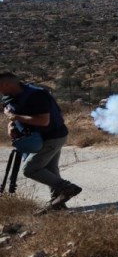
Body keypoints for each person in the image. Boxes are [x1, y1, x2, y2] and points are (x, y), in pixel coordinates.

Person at [0, 72, 81, 211]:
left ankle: (67, 187)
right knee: (50, 169)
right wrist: (12, 124)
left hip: (52, 137)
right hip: (43, 137)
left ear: (6, 84)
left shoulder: (36, 96)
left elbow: (43, 121)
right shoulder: (11, 97)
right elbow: (16, 113)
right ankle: (58, 205)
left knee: (30, 169)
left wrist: (15, 118)